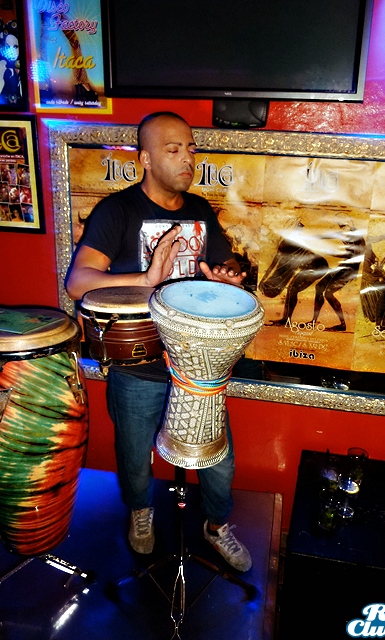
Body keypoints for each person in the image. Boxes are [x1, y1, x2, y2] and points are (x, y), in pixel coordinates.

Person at [65, 112, 252, 572]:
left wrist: (228, 275)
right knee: (134, 455)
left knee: (218, 459)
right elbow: (78, 282)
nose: (188, 158)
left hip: (197, 362)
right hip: (137, 364)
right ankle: (141, 512)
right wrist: (147, 280)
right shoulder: (118, 212)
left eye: (191, 148)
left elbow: (224, 265)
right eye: (174, 149)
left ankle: (216, 525)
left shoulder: (200, 210)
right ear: (145, 159)